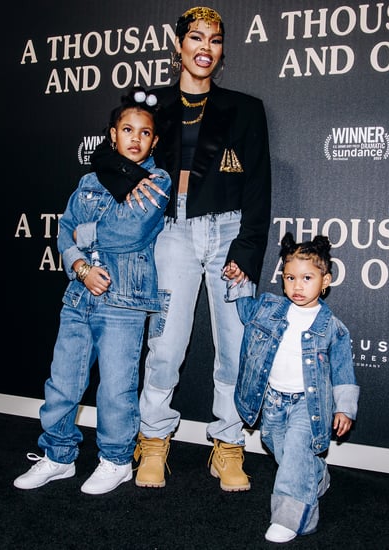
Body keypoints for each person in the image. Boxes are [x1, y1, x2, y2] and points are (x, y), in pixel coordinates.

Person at [88, 6, 272, 492]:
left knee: (234, 346)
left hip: (230, 231)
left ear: (223, 49)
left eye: (214, 40)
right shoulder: (152, 106)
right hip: (171, 232)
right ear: (178, 45)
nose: (205, 48)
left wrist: (248, 251)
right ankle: (152, 439)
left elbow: (259, 188)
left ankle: (228, 446)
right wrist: (135, 185)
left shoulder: (246, 109)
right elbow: (106, 155)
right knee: (165, 344)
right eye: (196, 37)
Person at [13, 87, 172, 495]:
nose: (135, 138)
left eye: (145, 132)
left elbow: (130, 231)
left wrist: (86, 236)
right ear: (112, 134)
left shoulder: (157, 180)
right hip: (79, 296)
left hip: (125, 299)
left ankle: (116, 460)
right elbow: (64, 231)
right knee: (62, 382)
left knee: (116, 388)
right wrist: (81, 267)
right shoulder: (88, 179)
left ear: (154, 140)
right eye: (127, 129)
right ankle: (58, 456)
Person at [225, 232, 360, 543]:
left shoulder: (332, 328)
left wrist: (345, 408)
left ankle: (292, 518)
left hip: (307, 407)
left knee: (295, 458)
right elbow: (246, 312)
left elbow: (343, 373)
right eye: (290, 277)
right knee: (282, 452)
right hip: (271, 401)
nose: (297, 286)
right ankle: (316, 477)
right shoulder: (271, 308)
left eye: (307, 278)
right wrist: (239, 281)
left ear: (325, 281)